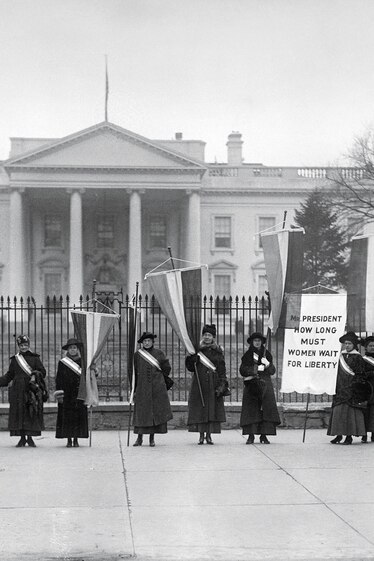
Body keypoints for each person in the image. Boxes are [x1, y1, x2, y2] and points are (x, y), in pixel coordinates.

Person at [0, 335, 47, 447]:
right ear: (18, 347)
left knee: (30, 412)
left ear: (28, 345)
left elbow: (43, 372)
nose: (24, 347)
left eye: (26, 345)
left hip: (31, 389)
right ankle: (22, 438)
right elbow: (10, 375)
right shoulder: (15, 360)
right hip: (18, 390)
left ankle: (30, 438)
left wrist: (35, 374)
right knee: (19, 413)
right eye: (21, 345)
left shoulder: (35, 358)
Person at [185, 324, 229, 445]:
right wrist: (191, 360)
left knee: (211, 409)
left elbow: (221, 368)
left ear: (213, 337)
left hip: (213, 383)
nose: (207, 337)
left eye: (209, 335)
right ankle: (200, 435)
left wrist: (222, 383)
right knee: (200, 409)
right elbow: (190, 368)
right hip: (199, 382)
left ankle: (209, 435)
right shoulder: (195, 350)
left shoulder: (218, 351)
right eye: (205, 335)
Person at [132, 332, 173, 447]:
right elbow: (134, 371)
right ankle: (139, 438)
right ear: (142, 343)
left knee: (154, 414)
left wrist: (159, 378)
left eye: (149, 341)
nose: (147, 343)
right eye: (144, 341)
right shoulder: (137, 355)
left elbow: (166, 368)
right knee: (141, 413)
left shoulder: (159, 353)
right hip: (142, 388)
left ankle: (151, 439)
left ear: (152, 342)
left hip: (156, 387)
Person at [239, 332, 280, 444]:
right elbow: (242, 370)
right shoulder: (247, 355)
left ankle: (264, 435)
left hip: (265, 384)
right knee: (252, 410)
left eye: (259, 341)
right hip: (252, 384)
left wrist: (267, 364)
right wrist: (255, 369)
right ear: (252, 342)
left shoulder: (266, 354)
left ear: (262, 342)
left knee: (265, 410)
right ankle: (251, 435)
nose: (257, 342)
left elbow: (272, 371)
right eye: (255, 341)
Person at [327, 331, 367, 445]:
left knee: (349, 414)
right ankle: (338, 435)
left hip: (351, 390)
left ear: (354, 344)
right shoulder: (340, 356)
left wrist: (355, 386)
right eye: (345, 343)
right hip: (340, 388)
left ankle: (349, 436)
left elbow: (360, 374)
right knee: (338, 412)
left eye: (349, 343)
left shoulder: (358, 358)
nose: (347, 345)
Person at [55, 338, 88, 447]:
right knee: (67, 417)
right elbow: (59, 378)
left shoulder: (82, 362)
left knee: (78, 416)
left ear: (77, 349)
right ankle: (69, 439)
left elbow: (87, 377)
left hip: (79, 392)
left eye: (74, 348)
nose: (73, 350)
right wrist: (60, 392)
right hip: (67, 393)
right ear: (67, 350)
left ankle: (76, 439)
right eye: (70, 348)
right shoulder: (62, 362)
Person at [361, 336, 374, 443]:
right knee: (365, 412)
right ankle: (364, 434)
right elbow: (361, 374)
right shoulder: (363, 360)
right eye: (370, 346)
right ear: (366, 347)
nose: (372, 347)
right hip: (367, 389)